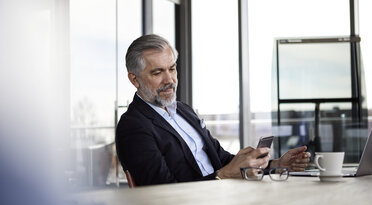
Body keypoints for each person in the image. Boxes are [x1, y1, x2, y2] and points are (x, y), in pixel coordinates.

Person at [115, 34, 310, 186]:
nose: (170, 80)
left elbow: (221, 158)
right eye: (158, 72)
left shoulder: (184, 111)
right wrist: (224, 176)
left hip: (222, 198)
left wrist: (276, 165)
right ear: (134, 79)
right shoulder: (133, 126)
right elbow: (162, 190)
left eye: (172, 69)